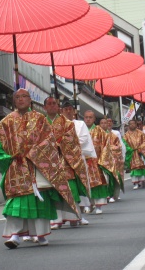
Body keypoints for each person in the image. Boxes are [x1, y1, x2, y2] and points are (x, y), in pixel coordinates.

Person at [0, 89, 78, 248]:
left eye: (24, 96)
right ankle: (15, 235)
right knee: (16, 202)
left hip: (37, 166)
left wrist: (34, 153)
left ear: (30, 100)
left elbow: (49, 142)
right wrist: (11, 156)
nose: (20, 99)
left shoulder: (40, 119)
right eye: (17, 97)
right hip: (16, 167)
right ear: (13, 101)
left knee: (39, 201)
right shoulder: (5, 122)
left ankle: (40, 235)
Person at [43, 97, 88, 229]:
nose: (52, 106)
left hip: (66, 161)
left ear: (58, 107)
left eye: (54, 104)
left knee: (71, 190)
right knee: (54, 191)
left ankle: (74, 216)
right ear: (44, 107)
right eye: (49, 104)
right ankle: (56, 219)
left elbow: (73, 141)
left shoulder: (67, 123)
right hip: (49, 161)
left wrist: (60, 142)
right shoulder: (40, 122)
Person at [61, 102, 97, 219]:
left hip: (77, 158)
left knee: (79, 185)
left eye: (70, 109)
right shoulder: (57, 124)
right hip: (62, 161)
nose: (68, 111)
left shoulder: (80, 124)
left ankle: (81, 213)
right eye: (65, 109)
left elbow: (84, 139)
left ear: (74, 111)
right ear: (61, 111)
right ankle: (63, 216)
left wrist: (69, 146)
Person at [83, 111, 110, 214]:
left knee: (98, 184)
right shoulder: (80, 130)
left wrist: (102, 160)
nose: (88, 119)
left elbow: (106, 146)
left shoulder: (100, 131)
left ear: (94, 119)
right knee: (86, 184)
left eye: (90, 117)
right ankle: (88, 204)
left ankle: (98, 206)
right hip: (84, 161)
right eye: (86, 117)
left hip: (97, 162)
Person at [124, 120, 145, 189]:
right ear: (128, 125)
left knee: (143, 166)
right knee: (134, 168)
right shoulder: (126, 135)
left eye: (133, 123)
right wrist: (130, 149)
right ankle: (136, 183)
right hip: (132, 153)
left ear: (136, 125)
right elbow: (125, 144)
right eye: (130, 124)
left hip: (141, 153)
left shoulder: (141, 133)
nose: (132, 125)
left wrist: (141, 148)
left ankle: (143, 180)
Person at [99, 118, 124, 202]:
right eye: (101, 123)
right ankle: (105, 194)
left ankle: (113, 195)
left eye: (105, 123)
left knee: (113, 178)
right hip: (100, 161)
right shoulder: (96, 135)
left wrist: (108, 149)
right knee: (104, 179)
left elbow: (118, 146)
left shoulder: (113, 135)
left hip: (112, 160)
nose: (104, 125)